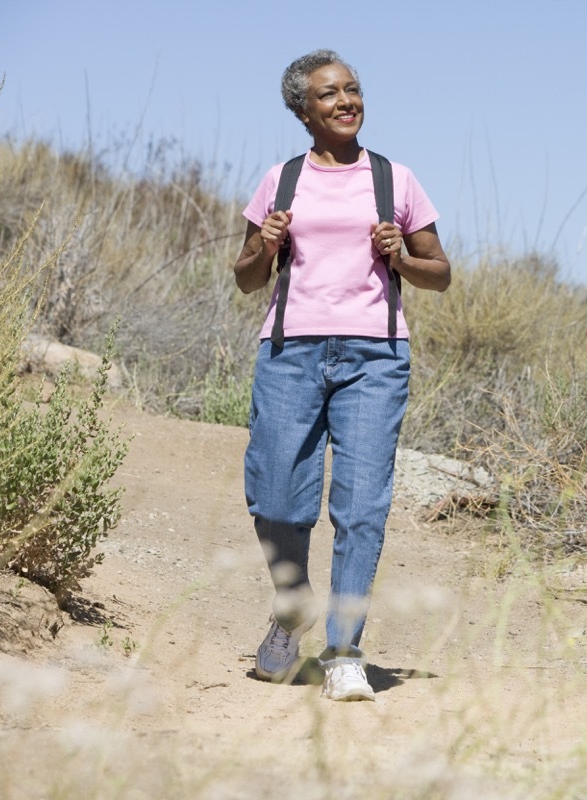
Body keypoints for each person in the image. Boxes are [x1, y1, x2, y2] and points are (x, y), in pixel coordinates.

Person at [233, 49, 451, 701]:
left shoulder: (396, 179)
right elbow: (245, 277)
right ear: (304, 110)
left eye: (353, 89)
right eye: (329, 94)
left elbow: (440, 272)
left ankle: (344, 648)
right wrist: (264, 245)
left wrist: (402, 257)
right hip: (289, 351)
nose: (346, 101)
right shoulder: (280, 181)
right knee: (276, 496)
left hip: (374, 357)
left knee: (361, 505)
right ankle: (289, 611)